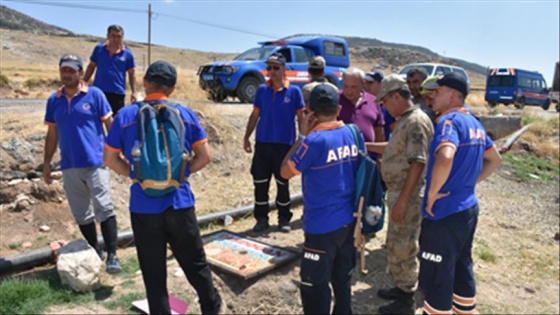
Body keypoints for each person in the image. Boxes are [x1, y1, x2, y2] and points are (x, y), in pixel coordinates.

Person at [104, 61, 223, 314]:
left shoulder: (125, 116)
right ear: (172, 87)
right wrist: (181, 175)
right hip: (179, 203)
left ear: (145, 82)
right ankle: (211, 307)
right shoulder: (185, 114)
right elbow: (205, 156)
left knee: (154, 274)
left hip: (144, 207)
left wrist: (135, 175)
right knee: (196, 265)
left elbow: (109, 159)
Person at [419, 72, 502, 315]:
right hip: (467, 208)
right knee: (462, 264)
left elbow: (446, 155)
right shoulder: (474, 122)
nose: (433, 95)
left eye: (439, 90)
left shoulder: (448, 121)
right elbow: (494, 159)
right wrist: (469, 182)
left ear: (454, 95)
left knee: (437, 275)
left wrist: (432, 193)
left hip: (444, 213)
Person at [280, 83, 361, 315]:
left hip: (321, 227)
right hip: (349, 220)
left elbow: (285, 171)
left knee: (314, 285)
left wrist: (302, 134)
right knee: (343, 277)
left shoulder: (313, 142)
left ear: (310, 112)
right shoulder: (353, 133)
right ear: (338, 108)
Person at [43, 53, 121, 273]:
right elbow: (52, 135)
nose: (66, 74)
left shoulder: (95, 95)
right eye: (63, 70)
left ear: (80, 72)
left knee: (104, 208)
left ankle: (113, 256)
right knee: (81, 214)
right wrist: (46, 163)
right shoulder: (53, 100)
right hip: (69, 165)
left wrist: (116, 154)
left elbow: (110, 124)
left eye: (71, 70)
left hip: (96, 162)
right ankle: (96, 251)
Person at [366, 74, 434, 314]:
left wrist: (403, 201)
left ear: (396, 96)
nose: (383, 107)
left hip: (409, 195)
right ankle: (400, 287)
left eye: (384, 102)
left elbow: (418, 162)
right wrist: (365, 146)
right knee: (395, 243)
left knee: (405, 245)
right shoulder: (405, 120)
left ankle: (405, 300)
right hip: (398, 192)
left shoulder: (415, 121)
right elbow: (394, 147)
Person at [243, 53, 304, 233]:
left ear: (284, 69)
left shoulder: (294, 92)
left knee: (282, 183)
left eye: (276, 67)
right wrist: (246, 137)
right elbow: (255, 116)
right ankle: (261, 219)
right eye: (269, 68)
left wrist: (301, 141)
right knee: (260, 183)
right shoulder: (262, 90)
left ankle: (284, 218)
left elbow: (301, 118)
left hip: (284, 146)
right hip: (263, 144)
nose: (272, 71)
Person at [83, 24, 137, 115]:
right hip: (98, 91)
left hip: (117, 93)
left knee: (116, 122)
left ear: (122, 37)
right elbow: (91, 66)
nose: (116, 39)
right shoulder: (99, 49)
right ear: (107, 36)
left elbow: (132, 74)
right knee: (95, 118)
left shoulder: (127, 54)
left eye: (119, 36)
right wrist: (84, 82)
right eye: (113, 36)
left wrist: (134, 92)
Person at [338, 67, 385, 156]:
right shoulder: (335, 101)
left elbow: (379, 132)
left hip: (368, 160)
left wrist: (380, 158)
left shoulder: (373, 101)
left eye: (353, 87)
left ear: (363, 84)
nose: (349, 91)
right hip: (342, 159)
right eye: (346, 86)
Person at [364, 70, 396, 140]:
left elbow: (396, 131)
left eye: (370, 83)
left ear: (381, 84)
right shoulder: (363, 104)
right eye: (365, 83)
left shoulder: (387, 106)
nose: (366, 86)